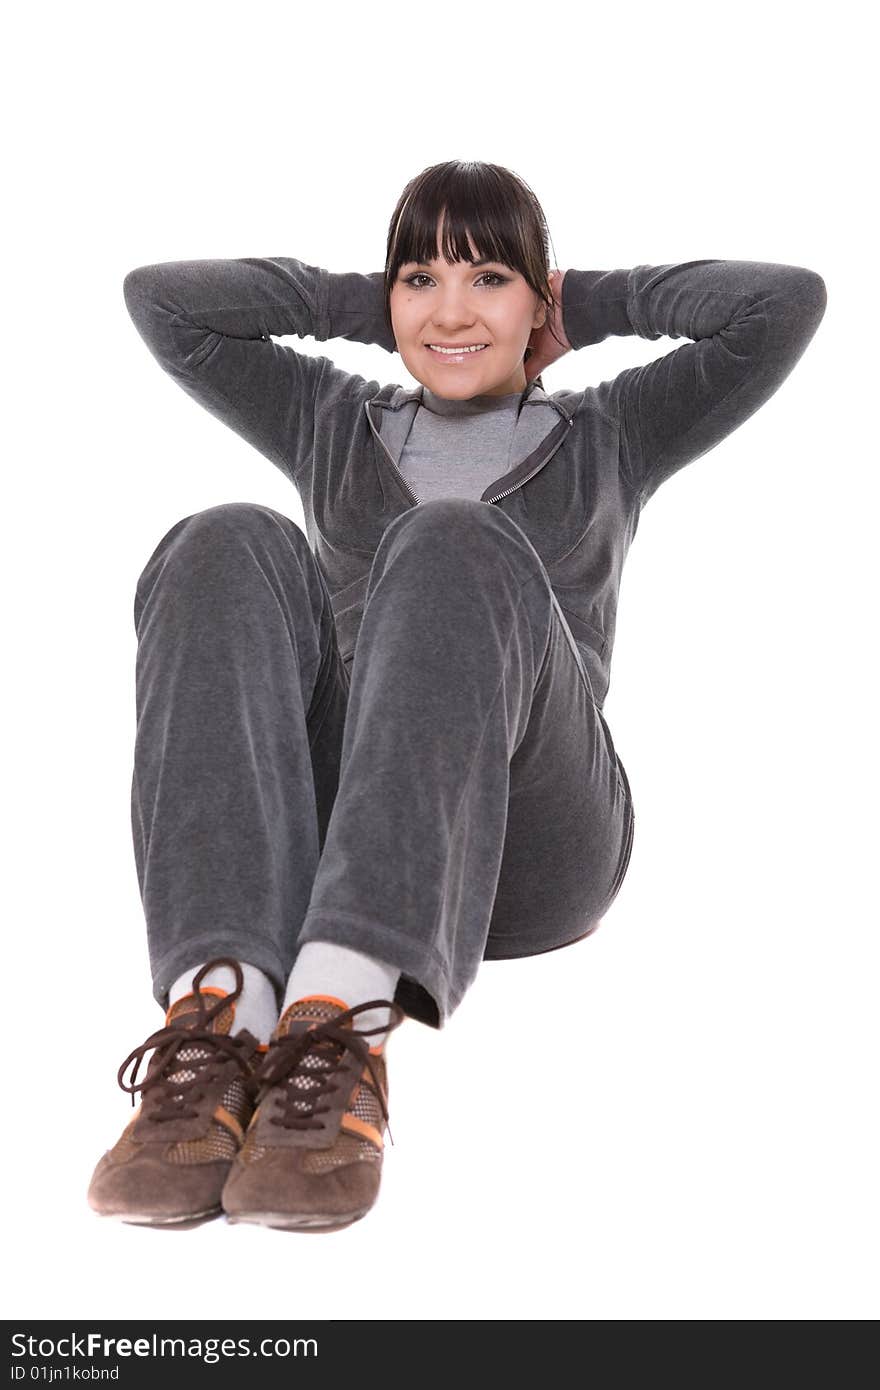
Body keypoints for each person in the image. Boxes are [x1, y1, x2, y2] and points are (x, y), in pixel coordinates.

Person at [87, 159, 827, 1233]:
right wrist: (368, 304)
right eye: (419, 278)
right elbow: (163, 301)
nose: (450, 310)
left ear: (538, 300)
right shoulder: (334, 419)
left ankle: (339, 1024)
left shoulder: (612, 433)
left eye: (487, 278)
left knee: (450, 534)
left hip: (538, 835)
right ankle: (224, 1024)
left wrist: (591, 303)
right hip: (353, 826)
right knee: (222, 538)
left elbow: (780, 303)